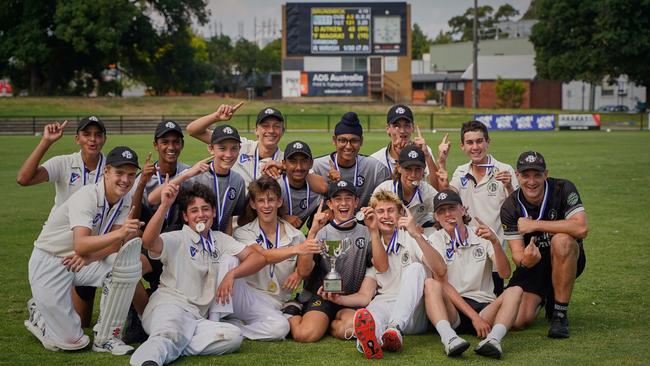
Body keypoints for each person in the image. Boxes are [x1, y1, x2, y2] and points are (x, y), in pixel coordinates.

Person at [130, 182, 266, 366]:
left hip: (197, 318)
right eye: (194, 211)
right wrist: (164, 206)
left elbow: (257, 258)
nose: (201, 215)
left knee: (233, 336)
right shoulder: (178, 237)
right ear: (185, 216)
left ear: (214, 212)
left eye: (205, 209)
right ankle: (148, 360)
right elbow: (148, 242)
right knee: (168, 333)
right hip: (169, 306)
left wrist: (232, 274)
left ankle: (175, 345)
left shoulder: (220, 239)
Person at [25, 146, 144, 355]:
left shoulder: (125, 199)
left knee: (123, 264)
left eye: (131, 174)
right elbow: (81, 243)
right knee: (73, 343)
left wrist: (90, 258)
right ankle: (40, 315)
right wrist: (121, 233)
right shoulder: (86, 196)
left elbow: (113, 246)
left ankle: (107, 338)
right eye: (119, 173)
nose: (125, 179)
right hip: (49, 260)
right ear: (106, 171)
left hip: (81, 261)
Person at [326, 190, 454, 359]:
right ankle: (371, 341)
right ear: (373, 215)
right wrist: (339, 299)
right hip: (385, 304)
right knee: (372, 313)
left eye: (390, 210)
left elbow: (441, 270)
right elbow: (365, 295)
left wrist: (417, 234)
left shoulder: (412, 237)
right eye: (380, 211)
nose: (386, 216)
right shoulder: (372, 244)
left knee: (415, 268)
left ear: (401, 213)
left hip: (413, 312)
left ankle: (394, 328)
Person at [17, 116, 108, 327]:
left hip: (89, 248)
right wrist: (46, 141)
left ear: (104, 139)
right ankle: (40, 306)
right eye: (87, 134)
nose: (92, 139)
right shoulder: (64, 163)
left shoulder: (111, 169)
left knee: (83, 322)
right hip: (59, 247)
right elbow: (24, 179)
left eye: (98, 135)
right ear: (77, 138)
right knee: (68, 322)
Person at [500, 151, 588, 338]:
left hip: (567, 257)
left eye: (537, 175)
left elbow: (581, 228)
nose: (531, 181)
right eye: (525, 175)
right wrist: (526, 260)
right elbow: (517, 255)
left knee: (561, 240)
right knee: (517, 321)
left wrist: (535, 224)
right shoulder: (510, 206)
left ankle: (559, 315)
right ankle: (547, 296)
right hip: (535, 266)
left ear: (546, 175)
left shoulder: (563, 188)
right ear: (517, 176)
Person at [223, 176, 322, 340]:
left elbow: (304, 270)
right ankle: (229, 320)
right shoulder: (243, 232)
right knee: (229, 261)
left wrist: (311, 234)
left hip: (275, 302)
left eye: (271, 200)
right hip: (247, 295)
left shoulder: (295, 235)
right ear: (253, 204)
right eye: (261, 201)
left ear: (279, 202)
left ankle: (234, 326)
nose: (266, 206)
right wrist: (296, 249)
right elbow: (262, 256)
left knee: (279, 329)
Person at [428, 189, 522, 359]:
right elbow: (441, 282)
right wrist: (473, 317)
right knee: (431, 284)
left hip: (485, 307)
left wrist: (495, 242)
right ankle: (449, 338)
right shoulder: (435, 239)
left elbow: (505, 273)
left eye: (451, 208)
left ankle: (493, 340)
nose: (447, 214)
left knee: (515, 290)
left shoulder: (481, 234)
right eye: (441, 211)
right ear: (436, 217)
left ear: (462, 210)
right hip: (454, 309)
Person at [287, 180, 385, 343]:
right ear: (330, 204)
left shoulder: (366, 232)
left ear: (356, 202)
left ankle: (327, 323)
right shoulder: (321, 233)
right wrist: (311, 233)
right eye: (338, 199)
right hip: (323, 297)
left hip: (349, 299)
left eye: (348, 198)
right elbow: (304, 272)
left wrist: (374, 231)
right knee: (305, 335)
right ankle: (292, 311)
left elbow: (381, 266)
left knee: (352, 330)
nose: (343, 203)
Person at [449, 120, 518, 296]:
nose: (475, 147)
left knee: (493, 309)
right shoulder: (460, 172)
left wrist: (509, 186)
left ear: (488, 142)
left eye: (479, 141)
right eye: (470, 142)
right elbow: (449, 196)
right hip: (466, 255)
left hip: (494, 258)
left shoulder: (504, 170)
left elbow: (517, 211)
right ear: (462, 146)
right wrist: (440, 164)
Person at [148, 124, 247, 235]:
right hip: (193, 241)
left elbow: (229, 217)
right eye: (222, 148)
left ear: (240, 149)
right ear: (211, 148)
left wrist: (228, 242)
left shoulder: (238, 181)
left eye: (234, 148)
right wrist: (187, 174)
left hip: (220, 242)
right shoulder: (194, 175)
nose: (228, 154)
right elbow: (152, 199)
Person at [186, 104, 285, 191]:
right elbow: (193, 130)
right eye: (265, 126)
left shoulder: (286, 161)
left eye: (276, 126)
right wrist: (216, 117)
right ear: (256, 131)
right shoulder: (237, 145)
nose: (271, 130)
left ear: (282, 131)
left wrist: (285, 167)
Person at [311, 112, 391, 208]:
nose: (348, 146)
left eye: (354, 141)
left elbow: (386, 204)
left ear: (361, 141)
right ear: (334, 140)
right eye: (342, 140)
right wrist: (331, 187)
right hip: (329, 220)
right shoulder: (317, 166)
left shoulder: (376, 168)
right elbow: (312, 205)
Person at [369, 104, 449, 190]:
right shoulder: (375, 159)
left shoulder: (423, 151)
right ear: (388, 128)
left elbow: (436, 189)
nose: (402, 131)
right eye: (397, 126)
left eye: (406, 125)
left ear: (412, 128)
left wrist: (427, 155)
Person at [373, 145, 437, 233]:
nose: (413, 175)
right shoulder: (384, 189)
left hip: (415, 237)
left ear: (423, 170)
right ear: (399, 168)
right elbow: (373, 219)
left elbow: (444, 209)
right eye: (408, 169)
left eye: (418, 169)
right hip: (388, 236)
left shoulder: (427, 191)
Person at [278, 141, 323, 229]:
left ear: (311, 163)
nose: (299, 167)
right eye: (293, 161)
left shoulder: (316, 191)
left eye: (304, 161)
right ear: (284, 164)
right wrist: (282, 218)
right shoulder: (275, 186)